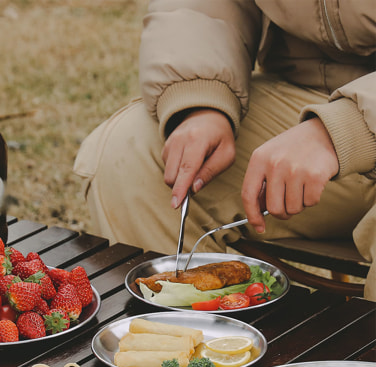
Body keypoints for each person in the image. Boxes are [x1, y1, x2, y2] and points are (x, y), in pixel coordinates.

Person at [74, 0, 376, 299]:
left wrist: (347, 129)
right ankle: (193, 338)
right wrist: (202, 99)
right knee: (133, 154)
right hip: (307, 95)